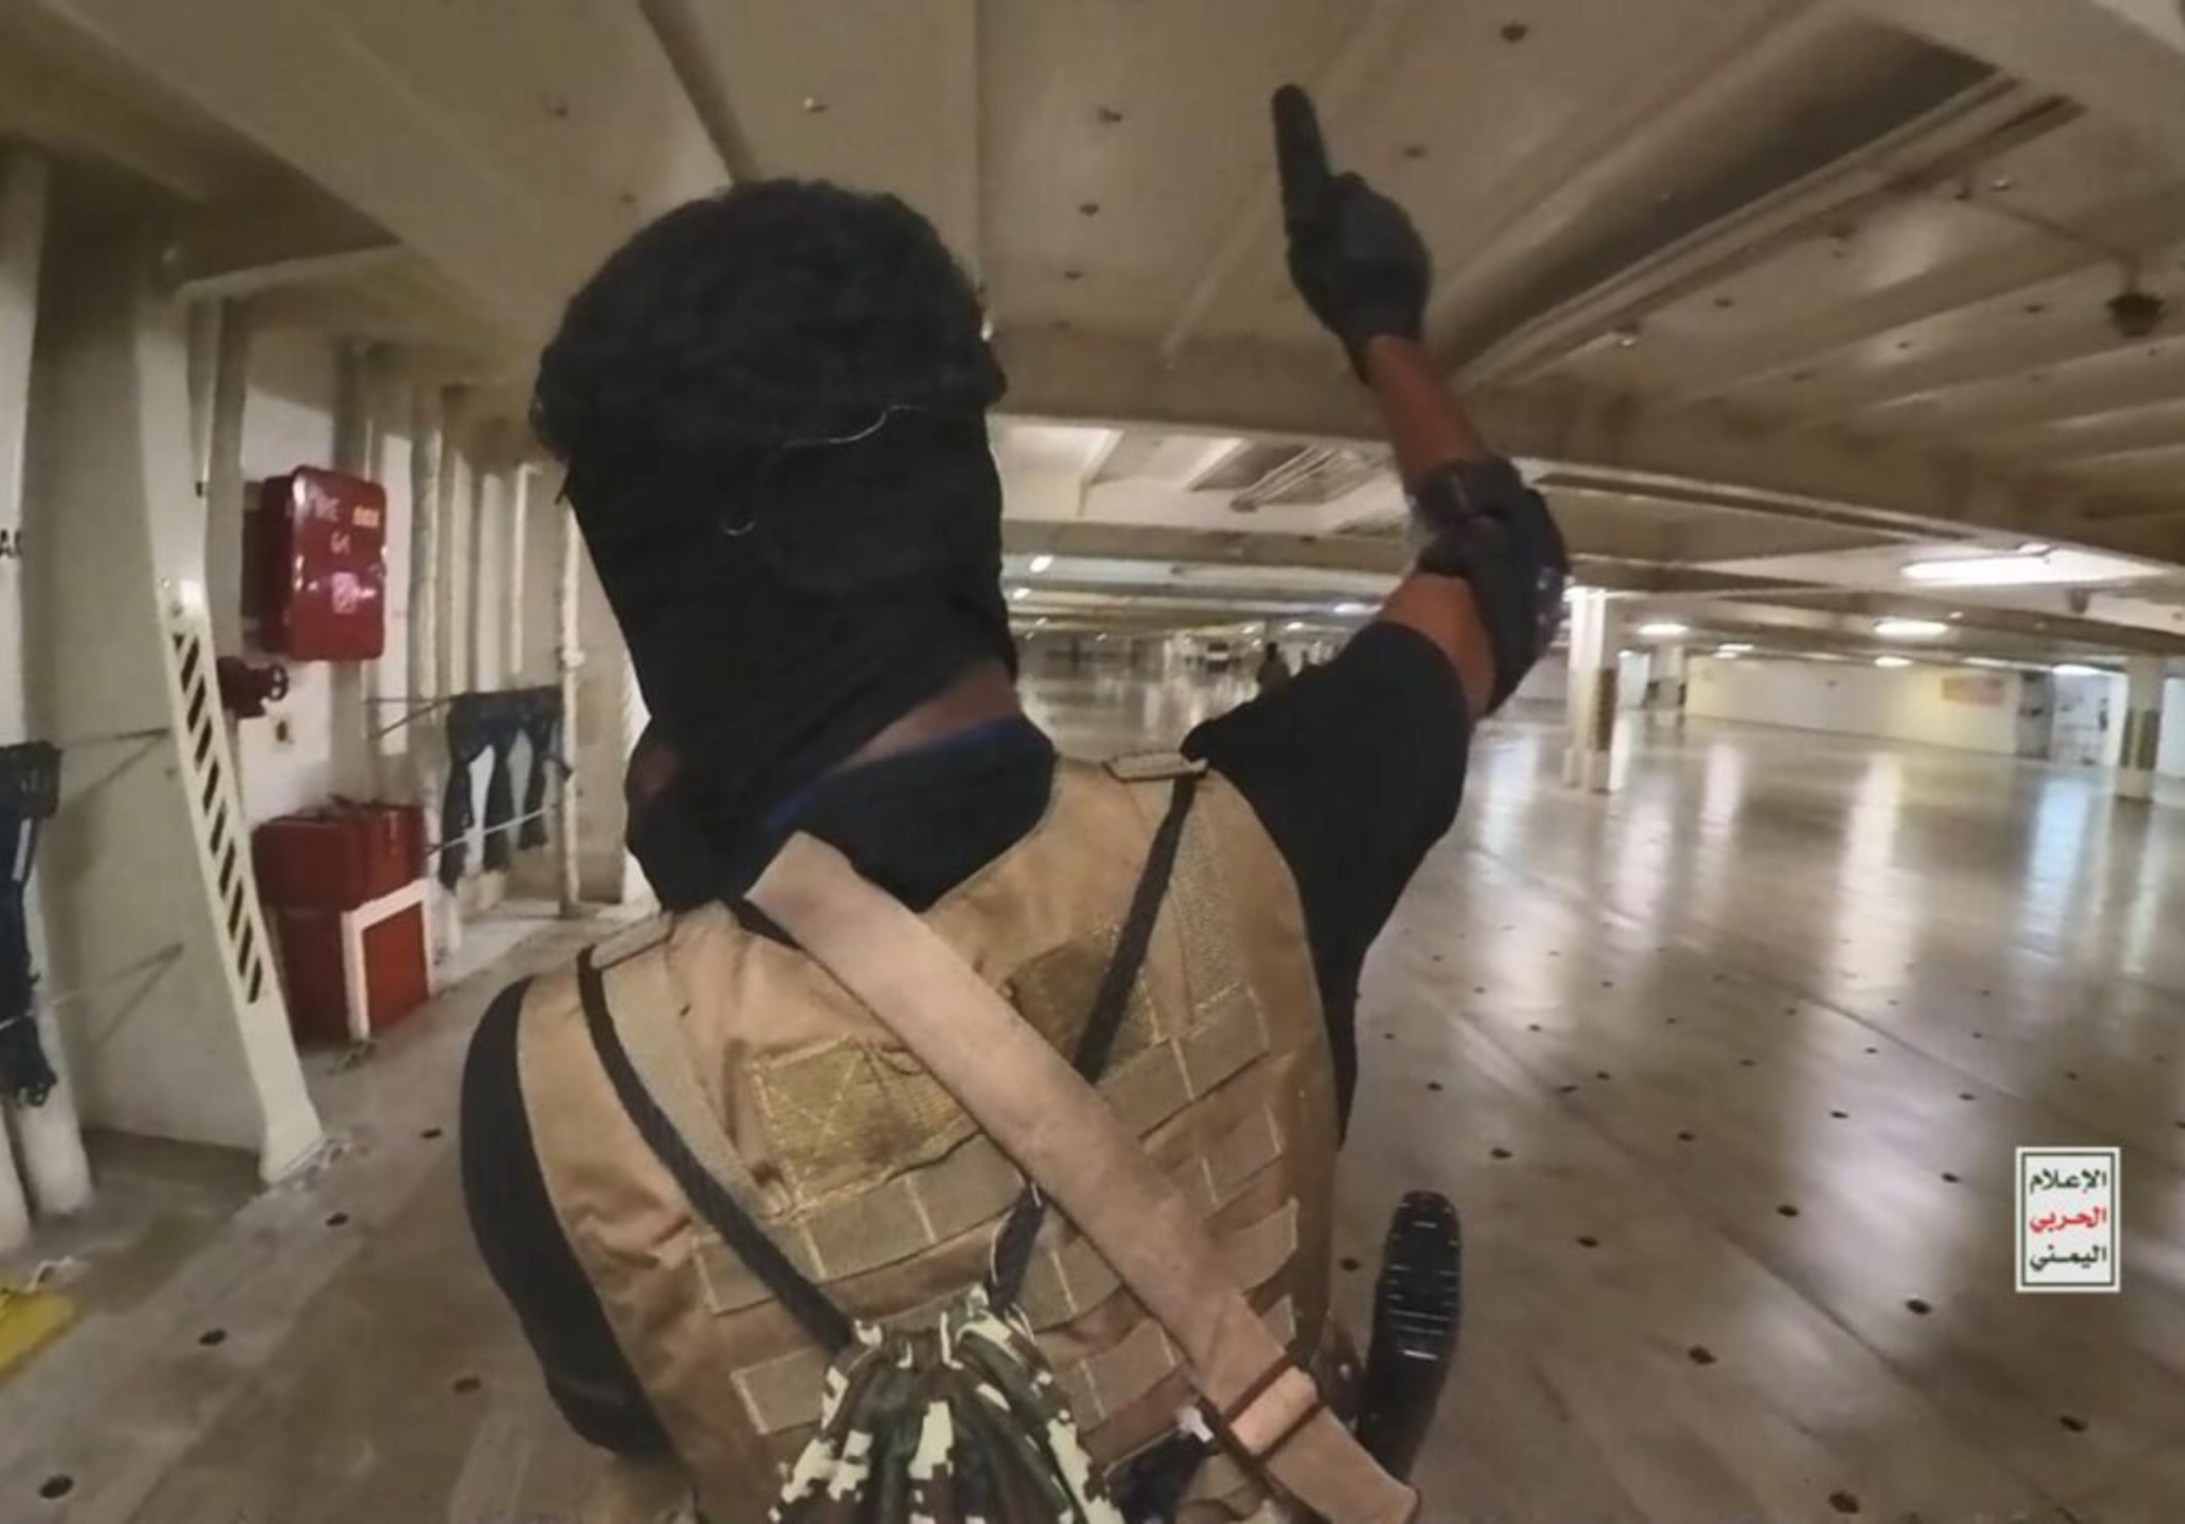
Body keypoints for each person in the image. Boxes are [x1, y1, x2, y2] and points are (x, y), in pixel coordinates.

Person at [461, 85, 1566, 1523]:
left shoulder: (552, 1085)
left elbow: (651, 1428)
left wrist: (702, 859)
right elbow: (1501, 562)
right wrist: (1379, 321)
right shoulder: (1274, 830)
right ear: (959, 501)